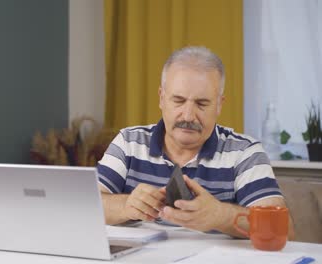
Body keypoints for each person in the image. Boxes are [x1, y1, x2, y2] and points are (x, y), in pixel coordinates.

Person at [96, 46, 295, 239]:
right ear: (161, 99)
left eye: (202, 104)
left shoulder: (245, 152)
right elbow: (84, 208)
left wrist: (221, 216)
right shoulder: (129, 142)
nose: (189, 116)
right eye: (179, 101)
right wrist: (126, 205)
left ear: (219, 105)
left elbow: (284, 231)